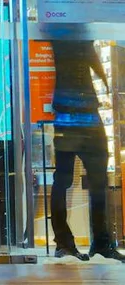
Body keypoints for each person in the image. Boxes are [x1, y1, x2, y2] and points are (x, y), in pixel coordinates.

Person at [49, 38, 122, 260]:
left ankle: (97, 242)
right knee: (65, 180)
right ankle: (67, 242)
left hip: (84, 112)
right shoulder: (63, 34)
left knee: (95, 181)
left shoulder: (78, 34)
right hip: (70, 113)